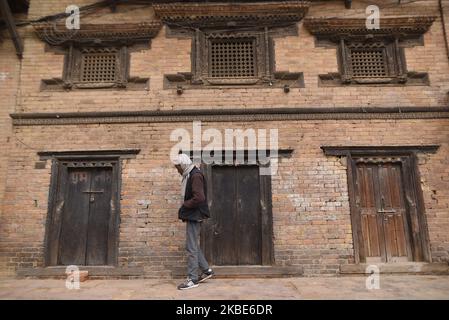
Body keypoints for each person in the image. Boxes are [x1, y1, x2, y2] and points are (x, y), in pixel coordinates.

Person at [173, 153, 214, 290]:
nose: (177, 169)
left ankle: (192, 279)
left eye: (178, 166)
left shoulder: (195, 175)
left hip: (195, 215)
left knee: (190, 247)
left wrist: (185, 205)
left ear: (183, 164)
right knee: (193, 245)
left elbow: (199, 198)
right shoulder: (190, 174)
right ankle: (206, 270)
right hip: (194, 214)